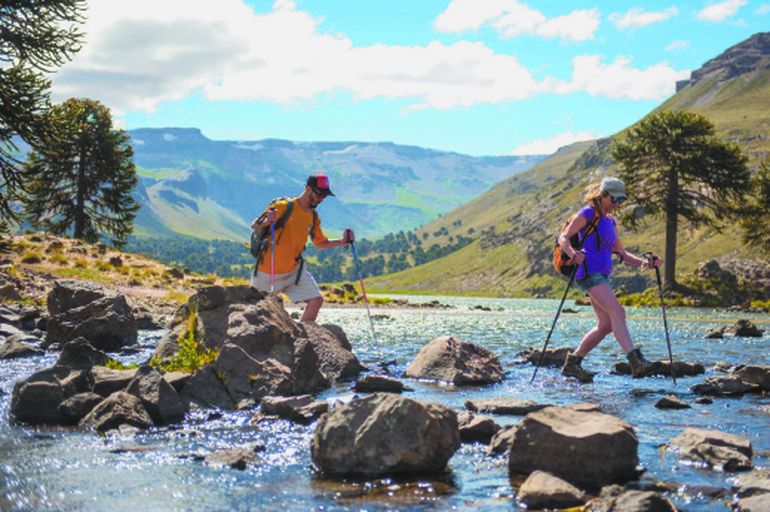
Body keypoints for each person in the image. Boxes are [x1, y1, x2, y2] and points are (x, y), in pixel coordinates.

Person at [557, 177, 661, 383]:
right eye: (614, 200)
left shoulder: (611, 222)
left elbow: (622, 254)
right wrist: (572, 253)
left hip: (602, 275)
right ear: (602, 196)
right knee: (618, 312)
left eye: (621, 201)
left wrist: (646, 264)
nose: (617, 204)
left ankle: (572, 364)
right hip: (588, 273)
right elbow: (564, 238)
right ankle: (636, 362)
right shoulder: (588, 213)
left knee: (605, 325)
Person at [250, 172, 354, 323]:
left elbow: (320, 243)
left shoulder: (313, 217)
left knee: (316, 300)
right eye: (319, 194)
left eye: (324, 196)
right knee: (258, 315)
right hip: (267, 272)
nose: (321, 199)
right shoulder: (282, 206)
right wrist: (267, 221)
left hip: (294, 272)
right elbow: (255, 225)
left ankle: (303, 339)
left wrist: (342, 241)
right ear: (307, 189)